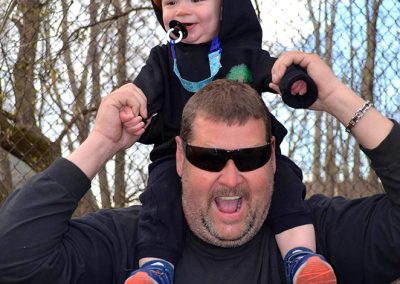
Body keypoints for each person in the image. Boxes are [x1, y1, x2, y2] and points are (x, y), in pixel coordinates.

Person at [0, 52, 399, 284]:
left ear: (274, 158)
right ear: (178, 157)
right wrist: (101, 143)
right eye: (208, 158)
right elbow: (14, 257)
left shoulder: (314, 242)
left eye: (250, 157)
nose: (230, 178)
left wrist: (336, 98)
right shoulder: (130, 243)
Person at [124, 0, 331, 283]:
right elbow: (142, 93)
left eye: (196, 0)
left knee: (283, 181)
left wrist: (292, 80)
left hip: (250, 156)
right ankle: (156, 268)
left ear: (224, 7)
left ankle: (300, 257)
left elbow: (272, 70)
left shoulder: (241, 54)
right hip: (178, 155)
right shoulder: (162, 59)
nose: (181, 10)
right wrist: (135, 112)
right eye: (171, 2)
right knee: (160, 198)